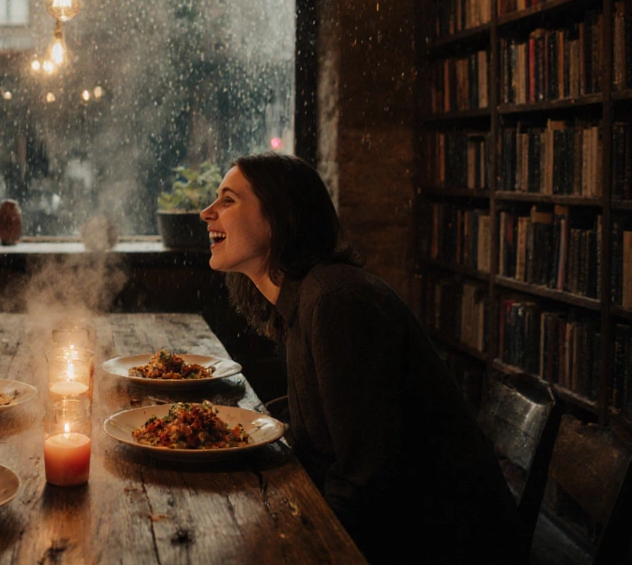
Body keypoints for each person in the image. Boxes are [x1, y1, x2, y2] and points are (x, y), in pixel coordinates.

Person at [200, 152, 522, 565]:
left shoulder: (338, 302)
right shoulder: (308, 297)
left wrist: (291, 548)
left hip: (439, 545)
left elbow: (368, 479)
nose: (208, 213)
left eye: (228, 200)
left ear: (280, 215)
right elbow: (321, 427)